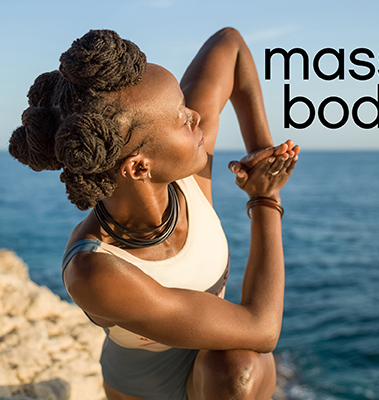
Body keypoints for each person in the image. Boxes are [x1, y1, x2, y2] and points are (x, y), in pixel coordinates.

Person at [9, 27, 299, 400]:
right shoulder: (95, 269)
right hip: (145, 388)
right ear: (140, 167)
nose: (197, 118)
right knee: (236, 366)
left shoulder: (186, 173)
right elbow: (262, 329)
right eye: (181, 117)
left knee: (236, 367)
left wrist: (263, 153)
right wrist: (265, 199)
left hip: (217, 359)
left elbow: (231, 46)